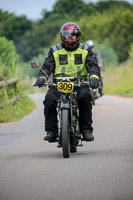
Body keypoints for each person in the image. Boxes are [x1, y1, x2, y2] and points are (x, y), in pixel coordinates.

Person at [35, 22, 100, 142]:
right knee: (49, 99)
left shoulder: (86, 50)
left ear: (78, 35)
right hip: (58, 83)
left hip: (80, 84)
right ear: (62, 36)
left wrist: (94, 77)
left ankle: (86, 130)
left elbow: (93, 65)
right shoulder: (54, 50)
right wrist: (42, 78)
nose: (70, 38)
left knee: (86, 97)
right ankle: (52, 131)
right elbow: (46, 66)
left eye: (73, 35)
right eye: (67, 35)